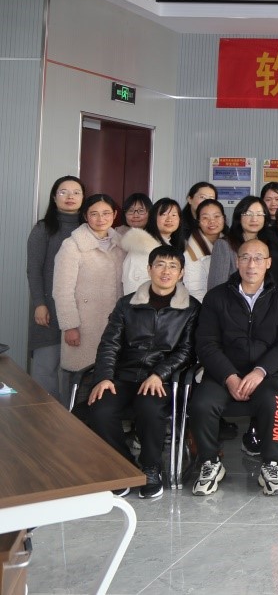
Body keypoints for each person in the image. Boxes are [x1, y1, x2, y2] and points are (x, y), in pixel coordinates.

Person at [188, 237, 278, 497]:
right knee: (201, 404)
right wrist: (229, 376)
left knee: (274, 403)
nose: (252, 264)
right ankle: (210, 462)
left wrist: (260, 371)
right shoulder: (217, 297)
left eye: (258, 258)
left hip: (263, 374)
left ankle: (271, 464)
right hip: (222, 373)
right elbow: (206, 343)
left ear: (268, 263)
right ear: (237, 262)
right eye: (245, 258)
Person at [85, 244, 198, 499]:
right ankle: (123, 467)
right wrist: (104, 377)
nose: (166, 272)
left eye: (173, 266)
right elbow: (110, 343)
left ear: (181, 273)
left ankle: (150, 468)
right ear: (149, 269)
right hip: (123, 376)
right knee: (100, 408)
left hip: (161, 379)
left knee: (149, 408)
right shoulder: (127, 304)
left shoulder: (191, 308)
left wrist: (159, 373)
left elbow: (187, 350)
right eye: (160, 265)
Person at [53, 193, 125, 384]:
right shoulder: (71, 246)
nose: (101, 219)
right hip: (84, 325)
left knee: (109, 381)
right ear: (85, 216)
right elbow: (62, 291)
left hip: (114, 325)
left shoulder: (121, 245)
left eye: (106, 213)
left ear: (114, 214)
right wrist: (69, 326)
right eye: (94, 213)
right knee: (80, 382)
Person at [26, 174, 84, 400]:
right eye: (63, 192)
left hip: (79, 311)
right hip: (48, 310)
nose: (70, 197)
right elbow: (34, 270)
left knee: (74, 373)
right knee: (45, 371)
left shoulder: (88, 228)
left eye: (76, 192)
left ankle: (69, 418)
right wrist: (39, 304)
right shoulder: (43, 228)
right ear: (54, 196)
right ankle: (43, 418)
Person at [122, 197, 185, 294]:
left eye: (174, 215)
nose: (169, 219)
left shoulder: (173, 245)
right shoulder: (142, 247)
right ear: (153, 218)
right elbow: (134, 289)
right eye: (163, 214)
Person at [207, 196, 268, 289]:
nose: (254, 219)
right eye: (248, 214)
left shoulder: (267, 244)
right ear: (239, 217)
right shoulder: (223, 245)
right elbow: (216, 286)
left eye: (259, 214)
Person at [183, 198, 225, 302]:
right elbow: (195, 292)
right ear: (198, 221)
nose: (212, 221)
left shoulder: (229, 244)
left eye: (216, 216)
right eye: (205, 218)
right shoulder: (191, 252)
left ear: (224, 218)